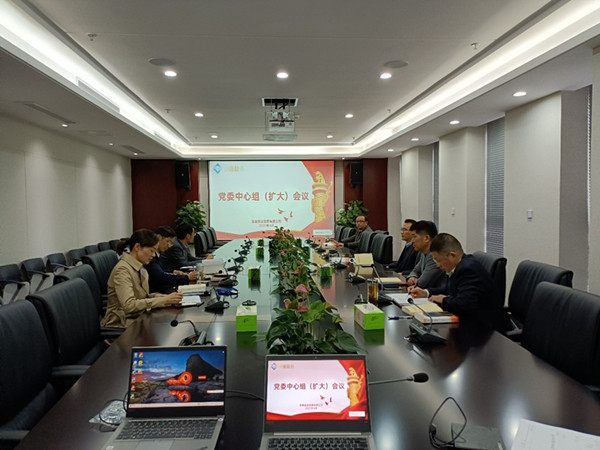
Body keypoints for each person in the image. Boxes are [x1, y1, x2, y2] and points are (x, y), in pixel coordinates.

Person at [409, 233, 510, 332]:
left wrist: (444, 300)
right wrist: (426, 292)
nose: (438, 265)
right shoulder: (459, 265)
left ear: (452, 255)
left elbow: (465, 304)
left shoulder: (468, 269)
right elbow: (449, 289)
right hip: (470, 319)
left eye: (439, 260)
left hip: (484, 329)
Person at [101, 229, 183, 328]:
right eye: (151, 250)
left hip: (136, 317)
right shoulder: (122, 270)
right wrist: (163, 300)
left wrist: (157, 297)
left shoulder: (140, 267)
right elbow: (129, 305)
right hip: (122, 323)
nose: (153, 255)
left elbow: (140, 297)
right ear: (137, 247)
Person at [146, 226, 198, 294]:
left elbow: (161, 271)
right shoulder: (151, 257)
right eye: (168, 241)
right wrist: (186, 277)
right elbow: (161, 277)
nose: (169, 246)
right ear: (159, 237)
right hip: (159, 292)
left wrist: (173, 272)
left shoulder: (158, 254)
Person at [405, 220, 446, 289]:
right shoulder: (423, 253)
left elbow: (422, 283)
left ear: (426, 238)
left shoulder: (434, 256)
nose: (412, 241)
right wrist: (412, 277)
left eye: (414, 237)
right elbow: (415, 271)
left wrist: (414, 282)